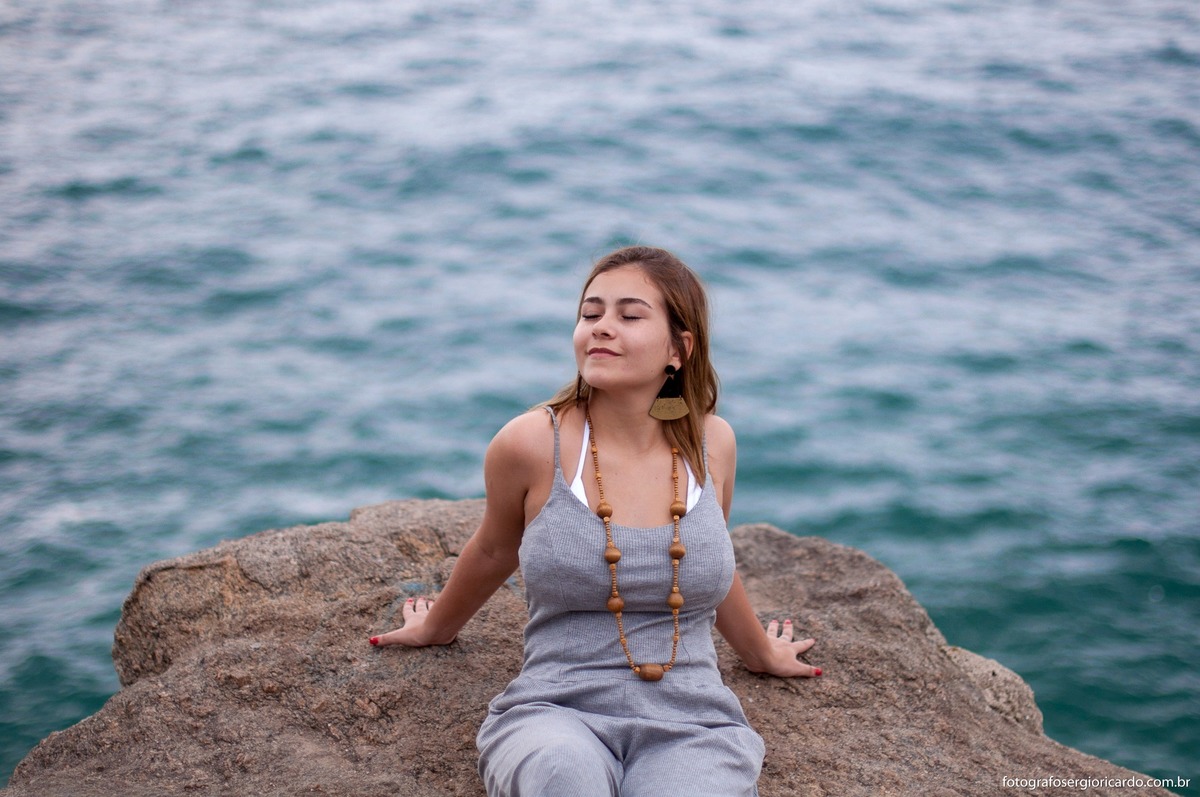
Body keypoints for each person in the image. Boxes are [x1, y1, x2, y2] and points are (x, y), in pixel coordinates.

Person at [370, 245, 821, 796]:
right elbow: (493, 549)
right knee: (565, 780)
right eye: (591, 314)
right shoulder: (532, 442)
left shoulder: (713, 444)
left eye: (629, 316)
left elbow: (706, 560)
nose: (602, 328)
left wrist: (760, 653)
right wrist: (436, 627)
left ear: (679, 348)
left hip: (692, 721)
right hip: (556, 710)